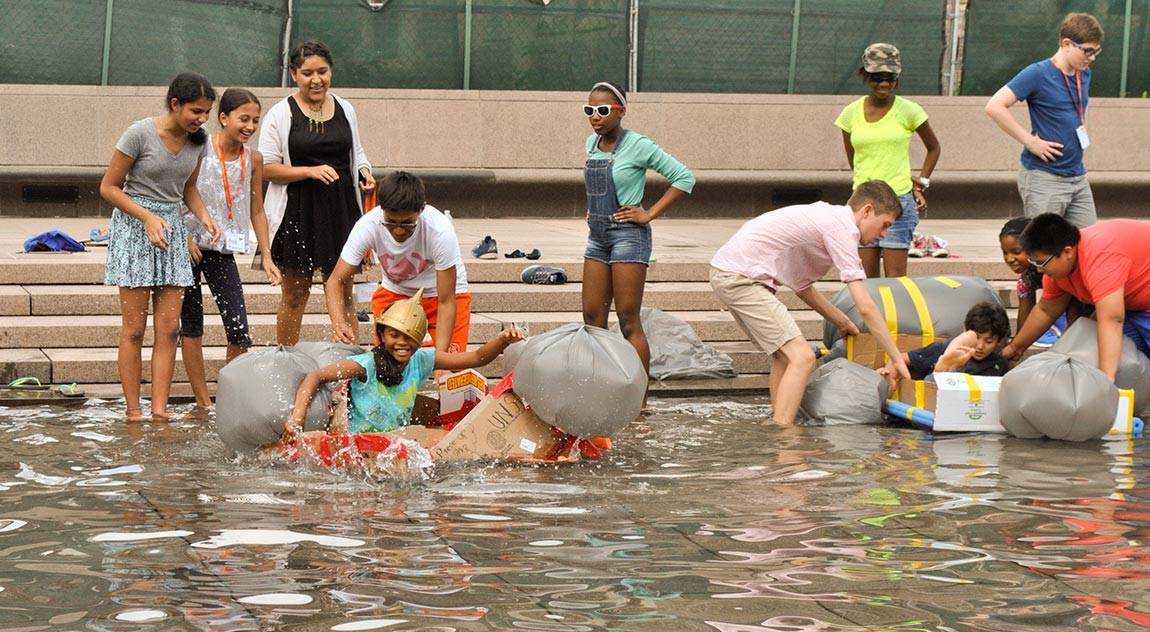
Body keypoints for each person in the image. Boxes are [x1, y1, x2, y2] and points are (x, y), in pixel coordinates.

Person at [709, 180, 912, 425]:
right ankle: (785, 439)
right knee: (803, 357)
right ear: (867, 211)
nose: (884, 235)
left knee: (785, 356)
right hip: (741, 278)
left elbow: (802, 287)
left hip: (730, 272)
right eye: (885, 225)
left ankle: (780, 422)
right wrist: (898, 359)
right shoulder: (842, 228)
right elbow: (866, 307)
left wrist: (841, 320)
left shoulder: (826, 218)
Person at [100, 72, 221, 422]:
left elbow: (189, 189)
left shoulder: (199, 142)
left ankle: (159, 412)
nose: (201, 119)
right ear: (175, 104)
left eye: (206, 114)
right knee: (135, 329)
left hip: (171, 230)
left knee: (169, 328)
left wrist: (204, 216)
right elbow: (109, 187)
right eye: (195, 111)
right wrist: (146, 218)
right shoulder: (139, 133)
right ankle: (134, 411)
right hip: (136, 227)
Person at [282, 291, 522, 439]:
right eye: (394, 336)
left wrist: (502, 341)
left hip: (394, 443)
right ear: (382, 335)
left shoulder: (423, 359)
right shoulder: (365, 365)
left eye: (409, 338)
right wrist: (297, 418)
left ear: (419, 341)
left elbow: (476, 358)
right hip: (357, 445)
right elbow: (315, 376)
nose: (401, 344)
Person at [259, 39, 375, 345]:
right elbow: (265, 167)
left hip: (341, 209)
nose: (316, 79)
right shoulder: (280, 113)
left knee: (344, 291)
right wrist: (308, 171)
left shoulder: (345, 108)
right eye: (307, 72)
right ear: (295, 74)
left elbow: (357, 152)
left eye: (322, 71)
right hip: (298, 211)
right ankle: (286, 358)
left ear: (331, 71)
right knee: (296, 293)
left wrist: (364, 172)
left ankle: (349, 366)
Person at [179, 88, 282, 416]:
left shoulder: (254, 158)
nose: (250, 126)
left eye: (255, 120)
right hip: (190, 247)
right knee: (191, 322)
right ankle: (201, 399)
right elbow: (178, 192)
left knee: (238, 327)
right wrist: (184, 237)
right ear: (223, 118)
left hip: (222, 249)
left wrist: (266, 254)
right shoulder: (199, 147)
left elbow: (257, 210)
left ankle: (227, 395)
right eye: (243, 119)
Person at [581, 81, 695, 375]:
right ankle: (604, 387)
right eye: (590, 110)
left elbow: (684, 178)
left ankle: (639, 401)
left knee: (628, 320)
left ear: (621, 112)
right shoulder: (591, 144)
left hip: (629, 238)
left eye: (603, 110)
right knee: (592, 319)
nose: (595, 116)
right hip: (597, 237)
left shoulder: (639, 145)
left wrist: (648, 214)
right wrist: (593, 208)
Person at [325, 171, 470, 352]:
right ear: (382, 209)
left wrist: (442, 362)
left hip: (441, 295)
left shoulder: (439, 231)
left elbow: (447, 302)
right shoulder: (368, 225)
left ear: (421, 209)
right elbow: (334, 281)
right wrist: (338, 323)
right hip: (395, 292)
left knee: (451, 369)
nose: (399, 231)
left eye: (407, 223)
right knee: (389, 369)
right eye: (391, 222)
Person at [985, 13, 1103, 228]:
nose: (1092, 57)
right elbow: (994, 106)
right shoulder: (1037, 73)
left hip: (1077, 175)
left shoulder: (1083, 73)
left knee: (1090, 243)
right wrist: (1030, 142)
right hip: (1044, 178)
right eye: (1087, 51)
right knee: (1043, 248)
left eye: (1096, 51)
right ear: (1067, 44)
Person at [835, 43, 941, 278]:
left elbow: (933, 148)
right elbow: (855, 158)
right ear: (865, 75)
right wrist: (864, 185)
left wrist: (921, 183)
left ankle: (893, 317)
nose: (883, 84)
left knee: (895, 283)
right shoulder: (850, 114)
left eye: (889, 78)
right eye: (876, 78)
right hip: (863, 204)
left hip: (899, 202)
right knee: (866, 281)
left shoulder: (909, 111)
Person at [1002, 213, 1150, 380]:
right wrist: (1015, 348)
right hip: (1132, 308)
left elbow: (1112, 320)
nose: (1038, 270)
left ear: (1067, 252)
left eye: (1041, 262)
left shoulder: (1100, 256)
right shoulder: (1056, 271)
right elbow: (1046, 310)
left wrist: (1105, 380)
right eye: (1034, 262)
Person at [898, 302, 1010, 380]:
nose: (980, 346)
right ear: (965, 330)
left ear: (999, 341)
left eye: (989, 341)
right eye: (976, 337)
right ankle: (943, 368)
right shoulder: (940, 349)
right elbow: (900, 359)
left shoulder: (1000, 365)